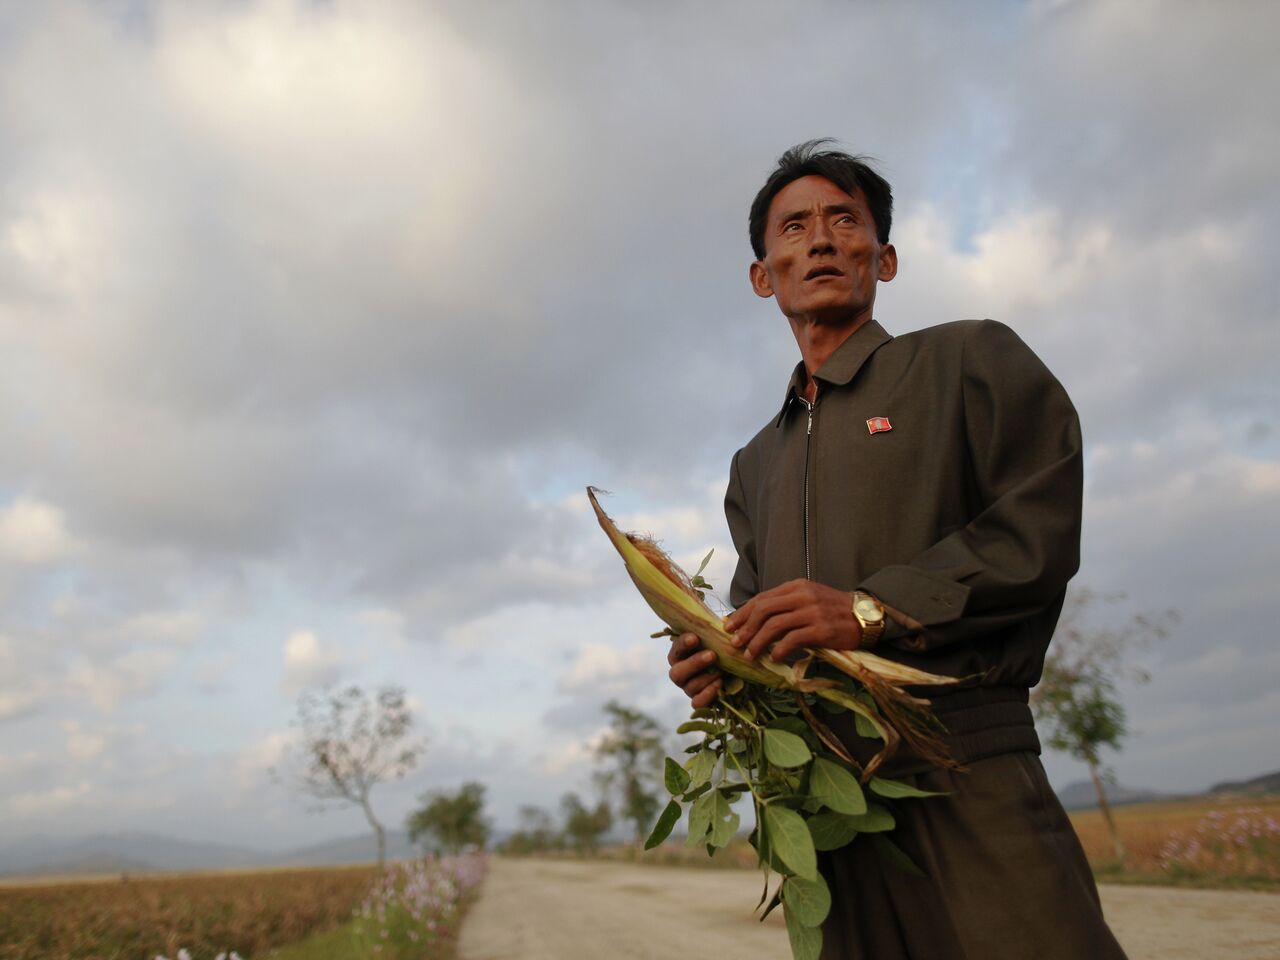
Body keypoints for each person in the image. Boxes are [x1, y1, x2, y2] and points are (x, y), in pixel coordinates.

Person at [666, 141, 1128, 960]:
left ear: (883, 257)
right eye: (795, 225)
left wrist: (870, 609)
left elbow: (1039, 529)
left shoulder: (967, 362)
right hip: (829, 803)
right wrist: (721, 665)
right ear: (762, 275)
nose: (820, 238)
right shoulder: (754, 464)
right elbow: (757, 616)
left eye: (845, 219)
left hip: (966, 762)